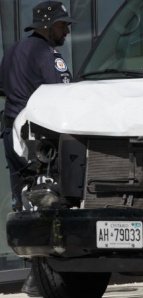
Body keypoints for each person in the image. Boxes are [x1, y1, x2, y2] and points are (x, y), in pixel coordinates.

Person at [0, 1, 75, 296]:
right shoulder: (48, 54)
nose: (66, 31)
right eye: (62, 25)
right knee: (48, 203)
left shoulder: (12, 51)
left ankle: (35, 273)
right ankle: (40, 276)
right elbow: (63, 92)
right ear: (47, 26)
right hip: (37, 137)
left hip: (12, 134)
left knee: (24, 203)